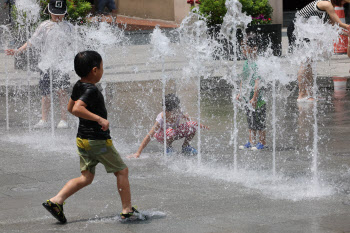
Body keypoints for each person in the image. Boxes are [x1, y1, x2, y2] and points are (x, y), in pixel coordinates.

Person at [42, 50, 138, 223]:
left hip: (82, 140)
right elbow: (78, 108)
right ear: (95, 70)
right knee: (122, 171)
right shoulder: (91, 90)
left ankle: (56, 201)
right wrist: (99, 119)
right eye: (102, 67)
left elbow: (70, 108)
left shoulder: (78, 85)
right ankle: (127, 210)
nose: (102, 71)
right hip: (97, 141)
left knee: (86, 177)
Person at [5, 0, 73, 129]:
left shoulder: (69, 27)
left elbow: (74, 44)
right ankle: (44, 119)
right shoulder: (44, 26)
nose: (57, 16)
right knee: (45, 93)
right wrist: (18, 50)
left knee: (62, 91)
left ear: (65, 13)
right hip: (46, 64)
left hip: (62, 65)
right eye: (54, 14)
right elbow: (32, 41)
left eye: (60, 14)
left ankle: (63, 119)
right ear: (49, 12)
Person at [287, 0, 350, 102]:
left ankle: (310, 94)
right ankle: (302, 94)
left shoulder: (330, 9)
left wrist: (347, 34)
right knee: (305, 62)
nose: (344, 4)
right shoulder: (326, 4)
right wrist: (348, 27)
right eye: (344, 1)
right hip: (298, 29)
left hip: (306, 31)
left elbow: (334, 27)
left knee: (309, 62)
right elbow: (340, 23)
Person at [128, 93, 209, 158]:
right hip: (162, 136)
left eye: (177, 110)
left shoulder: (178, 111)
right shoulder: (161, 119)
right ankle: (168, 148)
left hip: (174, 132)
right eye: (174, 112)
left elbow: (186, 117)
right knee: (170, 131)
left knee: (192, 125)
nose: (176, 113)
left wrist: (201, 126)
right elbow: (149, 136)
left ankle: (185, 146)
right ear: (166, 111)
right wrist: (138, 153)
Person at [237, 36, 267, 150]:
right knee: (250, 121)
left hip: (259, 100)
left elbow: (257, 82)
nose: (243, 51)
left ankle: (262, 142)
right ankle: (251, 141)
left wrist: (254, 98)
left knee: (259, 122)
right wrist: (240, 93)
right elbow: (243, 79)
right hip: (247, 98)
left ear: (254, 48)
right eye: (242, 48)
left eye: (245, 48)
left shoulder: (257, 64)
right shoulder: (246, 63)